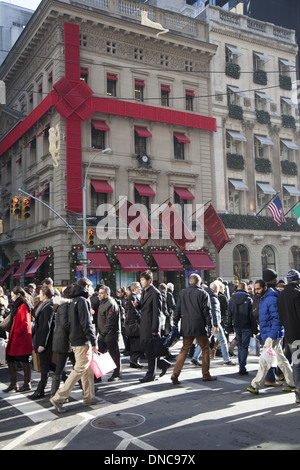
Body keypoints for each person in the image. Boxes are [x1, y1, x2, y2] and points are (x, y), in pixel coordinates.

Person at [50, 278, 101, 413]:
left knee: (87, 370)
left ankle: (89, 397)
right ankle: (58, 397)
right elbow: (86, 324)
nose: (92, 288)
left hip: (78, 340)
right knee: (79, 369)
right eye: (90, 286)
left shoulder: (74, 301)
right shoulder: (82, 301)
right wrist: (94, 341)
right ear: (85, 286)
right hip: (82, 341)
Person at [247, 279, 295, 394]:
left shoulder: (271, 299)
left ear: (265, 288)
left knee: (264, 360)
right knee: (281, 360)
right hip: (271, 334)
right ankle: (293, 383)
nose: (256, 291)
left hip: (272, 335)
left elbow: (277, 319)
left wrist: (271, 336)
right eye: (255, 289)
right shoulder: (264, 298)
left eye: (258, 289)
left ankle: (255, 385)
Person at [171, 273, 216, 385]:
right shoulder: (203, 293)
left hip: (186, 325)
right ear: (198, 282)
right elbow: (207, 312)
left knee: (184, 349)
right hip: (199, 325)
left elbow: (177, 310)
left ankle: (175, 374)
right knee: (205, 348)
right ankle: (205, 374)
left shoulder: (182, 293)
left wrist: (175, 323)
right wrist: (209, 325)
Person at [137, 270, 170, 383]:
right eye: (140, 280)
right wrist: (137, 306)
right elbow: (144, 307)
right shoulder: (144, 291)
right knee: (146, 348)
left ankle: (150, 374)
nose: (141, 282)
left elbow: (157, 312)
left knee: (150, 349)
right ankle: (162, 363)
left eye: (143, 280)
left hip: (151, 325)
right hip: (144, 324)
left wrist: (155, 329)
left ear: (149, 281)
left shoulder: (155, 293)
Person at [3, 286, 32, 393]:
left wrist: (15, 334)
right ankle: (14, 383)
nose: (12, 298)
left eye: (13, 295)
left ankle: (26, 383)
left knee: (24, 359)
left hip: (20, 338)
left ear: (18, 295)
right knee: (10, 358)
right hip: (17, 337)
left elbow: (25, 324)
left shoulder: (23, 306)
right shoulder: (19, 305)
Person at [277, 269, 300, 404]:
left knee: (296, 364)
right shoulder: (297, 294)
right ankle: (298, 391)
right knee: (297, 365)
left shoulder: (281, 296)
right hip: (298, 334)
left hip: (289, 335)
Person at [30, 285, 56, 399]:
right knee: (50, 366)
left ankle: (40, 390)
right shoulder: (44, 306)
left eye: (40, 294)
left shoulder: (48, 307)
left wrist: (42, 344)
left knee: (45, 367)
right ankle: (68, 378)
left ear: (45, 296)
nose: (38, 295)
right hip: (42, 340)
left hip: (46, 342)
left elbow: (46, 327)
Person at [227, 281, 258, 375]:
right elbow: (251, 316)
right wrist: (254, 328)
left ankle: (241, 365)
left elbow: (229, 314)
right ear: (245, 288)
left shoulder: (231, 299)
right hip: (246, 325)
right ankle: (242, 366)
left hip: (237, 325)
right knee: (244, 346)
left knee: (240, 346)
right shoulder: (248, 299)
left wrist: (229, 327)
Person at [51, 285, 75, 397]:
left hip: (64, 340)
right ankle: (54, 394)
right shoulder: (65, 306)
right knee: (60, 368)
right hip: (64, 341)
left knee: (77, 367)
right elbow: (66, 325)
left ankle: (88, 389)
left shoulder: (62, 305)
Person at [206, 281, 235, 366]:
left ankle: (195, 357)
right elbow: (215, 312)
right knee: (223, 340)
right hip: (215, 322)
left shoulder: (205, 295)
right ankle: (226, 360)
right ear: (216, 289)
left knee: (205, 341)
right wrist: (215, 325)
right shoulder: (214, 298)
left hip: (209, 322)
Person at [97, 285, 121, 381]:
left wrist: (103, 334)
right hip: (103, 333)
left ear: (107, 294)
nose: (99, 295)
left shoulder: (111, 304)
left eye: (101, 293)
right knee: (100, 355)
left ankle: (116, 373)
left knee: (114, 354)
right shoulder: (102, 303)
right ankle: (98, 375)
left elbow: (110, 321)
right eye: (99, 293)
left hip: (110, 334)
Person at [125, 281, 144, 369]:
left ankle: (133, 361)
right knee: (137, 344)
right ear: (135, 288)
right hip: (135, 323)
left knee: (133, 344)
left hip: (131, 323)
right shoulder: (134, 296)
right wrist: (140, 317)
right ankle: (134, 360)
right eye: (139, 287)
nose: (140, 289)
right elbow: (134, 311)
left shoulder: (131, 296)